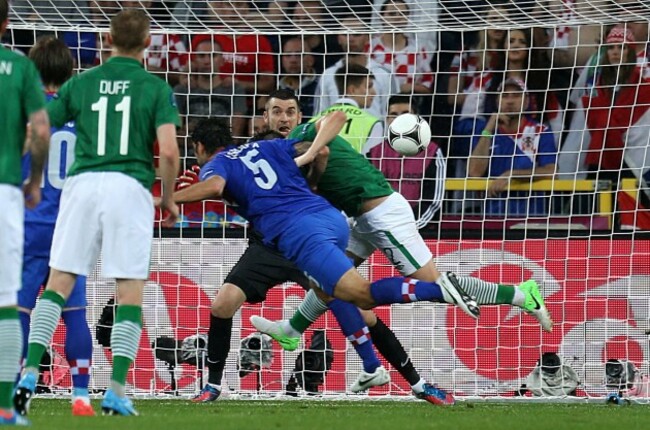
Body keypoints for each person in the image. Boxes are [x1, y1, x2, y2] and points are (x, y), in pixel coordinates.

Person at [166, 114, 478, 400]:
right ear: (266, 116)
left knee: (363, 305)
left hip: (301, 235)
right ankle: (215, 384)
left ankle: (416, 374)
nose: (283, 117)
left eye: (289, 110)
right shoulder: (267, 149)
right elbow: (320, 149)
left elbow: (218, 185)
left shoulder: (267, 150)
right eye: (277, 110)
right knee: (222, 304)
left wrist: (167, 198)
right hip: (276, 243)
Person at [14, 9, 180, 417]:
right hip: (129, 186)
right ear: (147, 43)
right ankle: (115, 391)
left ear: (107, 39)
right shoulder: (155, 88)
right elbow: (169, 152)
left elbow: (38, 129)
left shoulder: (81, 84)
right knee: (129, 291)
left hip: (82, 187)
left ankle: (29, 374)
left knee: (57, 284)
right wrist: (169, 198)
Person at [17, 35, 94, 417]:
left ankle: (14, 387)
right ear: (70, 72)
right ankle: (80, 394)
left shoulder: (25, 115)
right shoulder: (85, 119)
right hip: (71, 228)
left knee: (19, 309)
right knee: (75, 311)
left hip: (29, 225)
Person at [0, 0, 50, 425]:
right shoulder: (19, 68)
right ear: (6, 24)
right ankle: (5, 404)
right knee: (8, 303)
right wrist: (33, 180)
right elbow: (39, 129)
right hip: (6, 192)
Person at [467, 77, 557, 216]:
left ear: (526, 101)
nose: (510, 101)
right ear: (497, 101)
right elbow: (474, 172)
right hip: (492, 218)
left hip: (530, 218)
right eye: (504, 96)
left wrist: (512, 175)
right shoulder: (485, 132)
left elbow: (551, 171)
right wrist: (489, 128)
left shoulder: (540, 131)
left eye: (516, 95)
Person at [367, 94, 445, 225]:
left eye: (405, 114)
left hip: (418, 229)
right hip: (381, 228)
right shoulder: (374, 153)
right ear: (387, 120)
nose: (399, 119)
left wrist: (408, 227)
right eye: (394, 115)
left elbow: (432, 201)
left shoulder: (432, 152)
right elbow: (368, 196)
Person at [310, 63, 383, 154]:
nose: (374, 92)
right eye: (369, 86)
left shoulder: (314, 121)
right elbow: (372, 160)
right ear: (352, 90)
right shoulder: (372, 124)